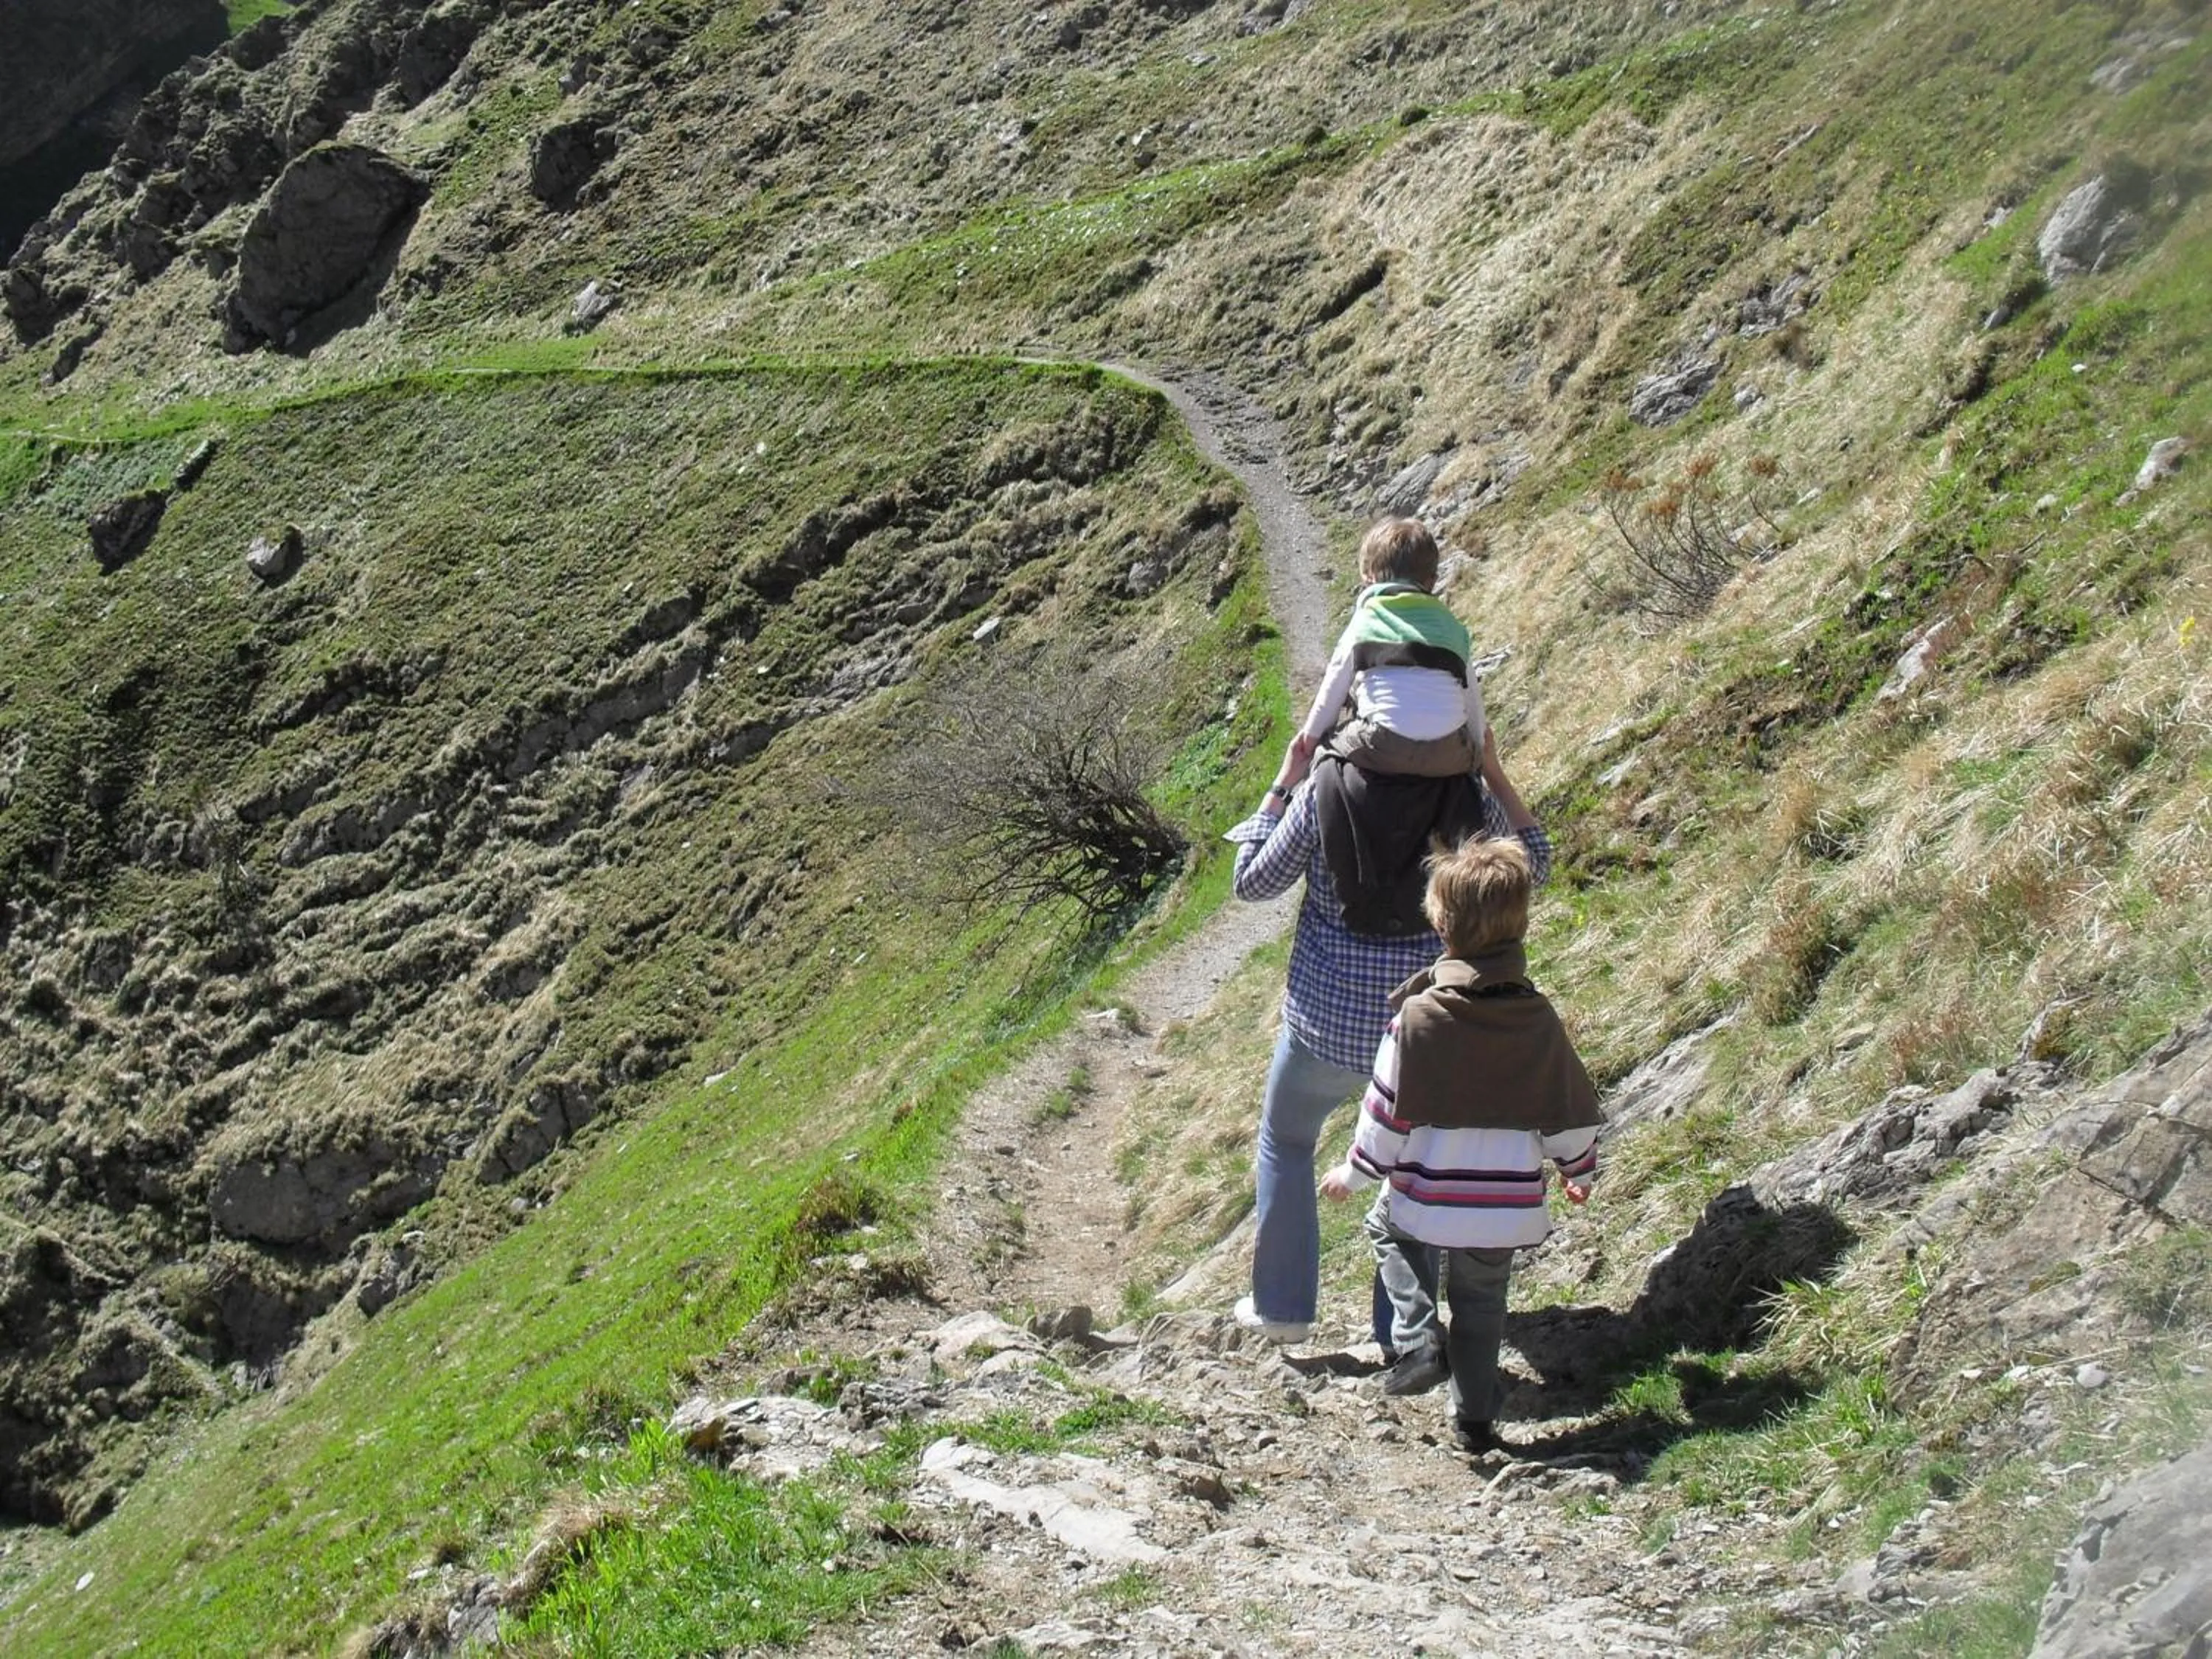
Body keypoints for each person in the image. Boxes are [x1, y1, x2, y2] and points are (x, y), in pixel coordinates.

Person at [1222, 720, 1549, 1346]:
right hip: (1423, 1036)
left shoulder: (1323, 789)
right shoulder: (1468, 800)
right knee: (1412, 1169)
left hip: (1325, 1027)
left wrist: (1282, 781)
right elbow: (1533, 867)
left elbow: (1252, 882)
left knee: (1287, 1143)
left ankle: (1284, 1312)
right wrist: (1495, 773)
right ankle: (1401, 1336)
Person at [1319, 836, 1601, 1455]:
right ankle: (1475, 1422)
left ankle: (1420, 1339)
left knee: (1386, 1229)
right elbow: (1564, 1106)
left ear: (1441, 926)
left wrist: (1355, 1172)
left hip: (1428, 1192)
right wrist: (1578, 1169)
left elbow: (1386, 1116)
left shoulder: (1419, 1019)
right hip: (1503, 1206)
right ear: (1520, 924)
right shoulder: (1537, 1019)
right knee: (1482, 1307)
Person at [1298, 517, 1487, 779]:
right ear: (1432, 580)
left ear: (1369, 576)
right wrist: (1478, 749)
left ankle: (1292, 812)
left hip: (1383, 745)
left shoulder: (1364, 622)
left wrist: (1310, 740)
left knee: (1325, 757)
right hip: (1449, 753)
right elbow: (1473, 705)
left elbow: (1331, 694)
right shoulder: (1453, 628)